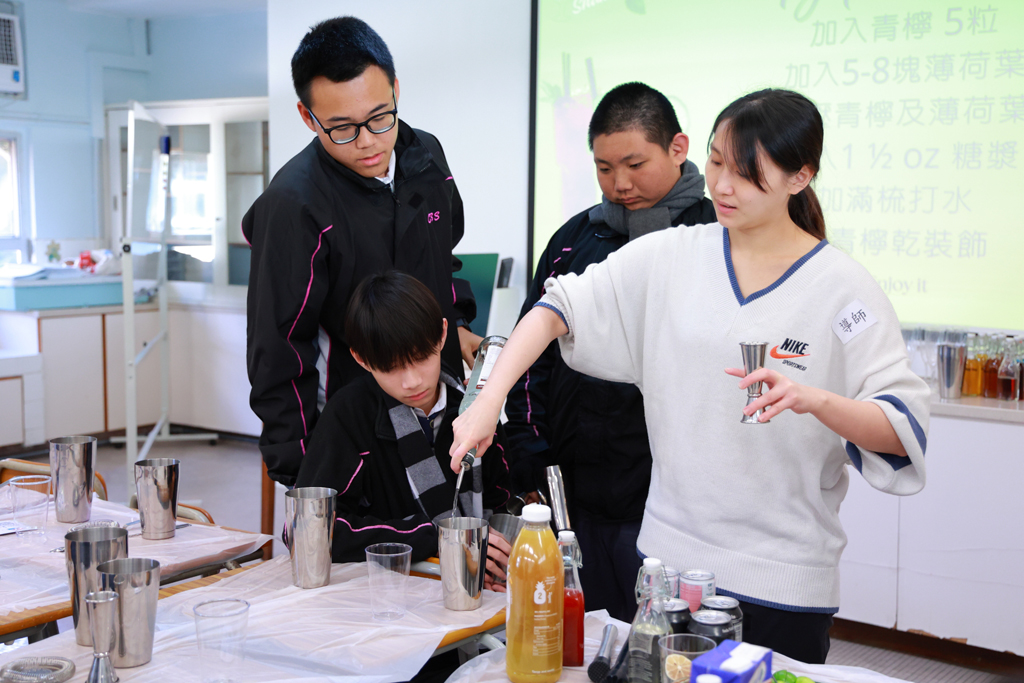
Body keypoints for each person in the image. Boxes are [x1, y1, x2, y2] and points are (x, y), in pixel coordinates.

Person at [451, 89, 929, 663]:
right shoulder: (673, 255)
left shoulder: (843, 288)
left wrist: (814, 399)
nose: (722, 185)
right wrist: (488, 399)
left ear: (800, 177)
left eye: (746, 173)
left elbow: (899, 430)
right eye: (717, 161)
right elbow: (556, 308)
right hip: (666, 570)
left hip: (784, 580)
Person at [503, 82, 716, 623]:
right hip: (573, 490)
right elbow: (532, 355)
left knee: (665, 640)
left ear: (678, 148)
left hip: (670, 499)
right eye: (603, 168)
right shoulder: (573, 240)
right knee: (579, 636)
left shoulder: (715, 239)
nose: (619, 184)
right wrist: (530, 445)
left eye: (634, 164)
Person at [244, 17, 482, 487]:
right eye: (342, 128)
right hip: (353, 432)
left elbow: (442, 255)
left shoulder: (426, 157)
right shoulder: (294, 206)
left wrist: (455, 323)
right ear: (308, 117)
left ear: (395, 90)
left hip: (438, 407)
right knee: (376, 533)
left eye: (379, 117)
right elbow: (278, 348)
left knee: (450, 524)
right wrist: (304, 475)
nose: (368, 141)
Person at [296, 271, 512, 586]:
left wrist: (497, 560)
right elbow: (308, 529)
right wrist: (438, 537)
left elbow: (503, 501)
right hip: (383, 590)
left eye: (421, 357)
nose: (412, 382)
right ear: (361, 358)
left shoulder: (473, 408)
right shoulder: (349, 415)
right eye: (391, 367)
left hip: (479, 585)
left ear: (442, 334)